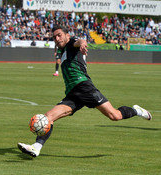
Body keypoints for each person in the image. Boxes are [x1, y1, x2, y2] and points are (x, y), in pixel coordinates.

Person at [18, 25, 152, 157]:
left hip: (84, 87)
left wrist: (82, 44)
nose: (57, 39)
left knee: (115, 116)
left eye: (59, 35)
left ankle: (137, 111)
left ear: (67, 36)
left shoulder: (71, 43)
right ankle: (36, 148)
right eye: (54, 37)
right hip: (72, 94)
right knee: (48, 117)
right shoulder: (62, 50)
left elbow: (80, 41)